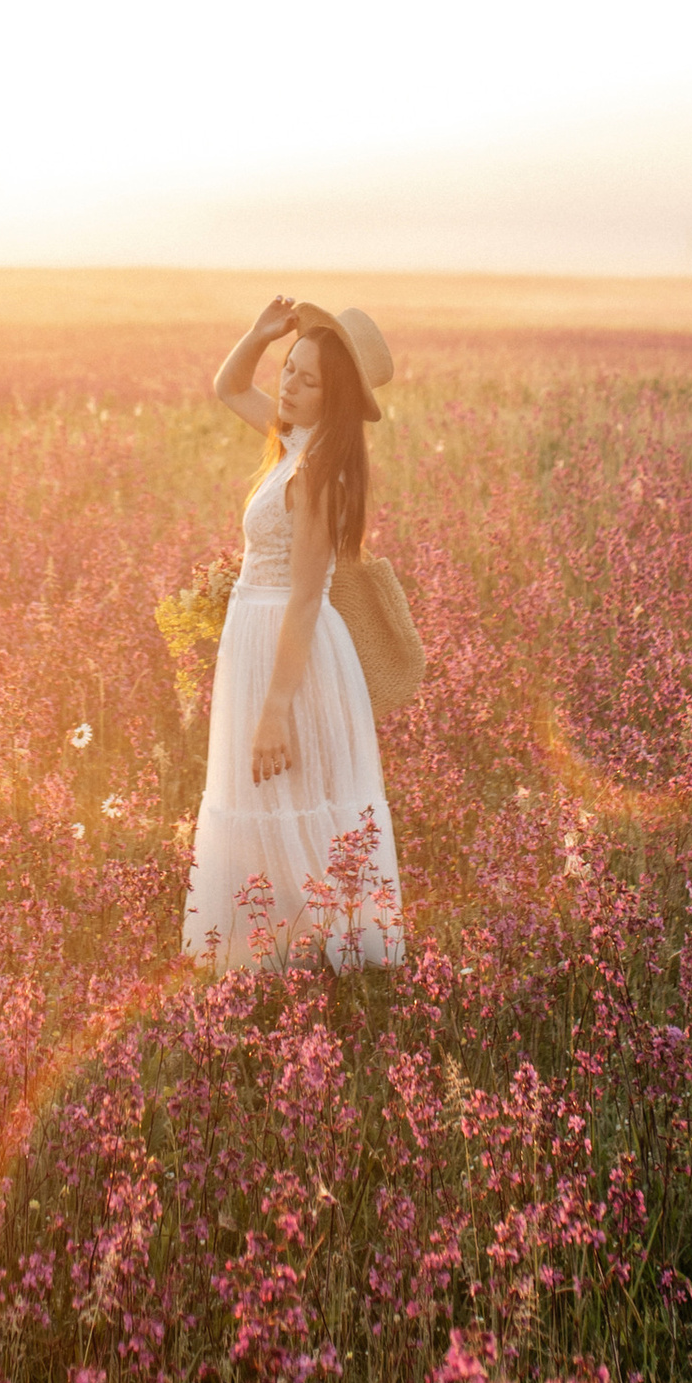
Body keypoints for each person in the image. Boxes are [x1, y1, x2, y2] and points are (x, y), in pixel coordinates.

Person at [181, 295, 407, 973]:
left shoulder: (316, 474)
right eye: (289, 369)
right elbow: (228, 387)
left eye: (308, 381)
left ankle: (326, 958)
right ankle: (278, 950)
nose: (288, 386)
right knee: (270, 795)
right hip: (258, 641)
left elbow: (307, 598)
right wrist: (258, 334)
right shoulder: (290, 441)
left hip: (291, 652)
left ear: (333, 400)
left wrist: (276, 708)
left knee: (296, 792)